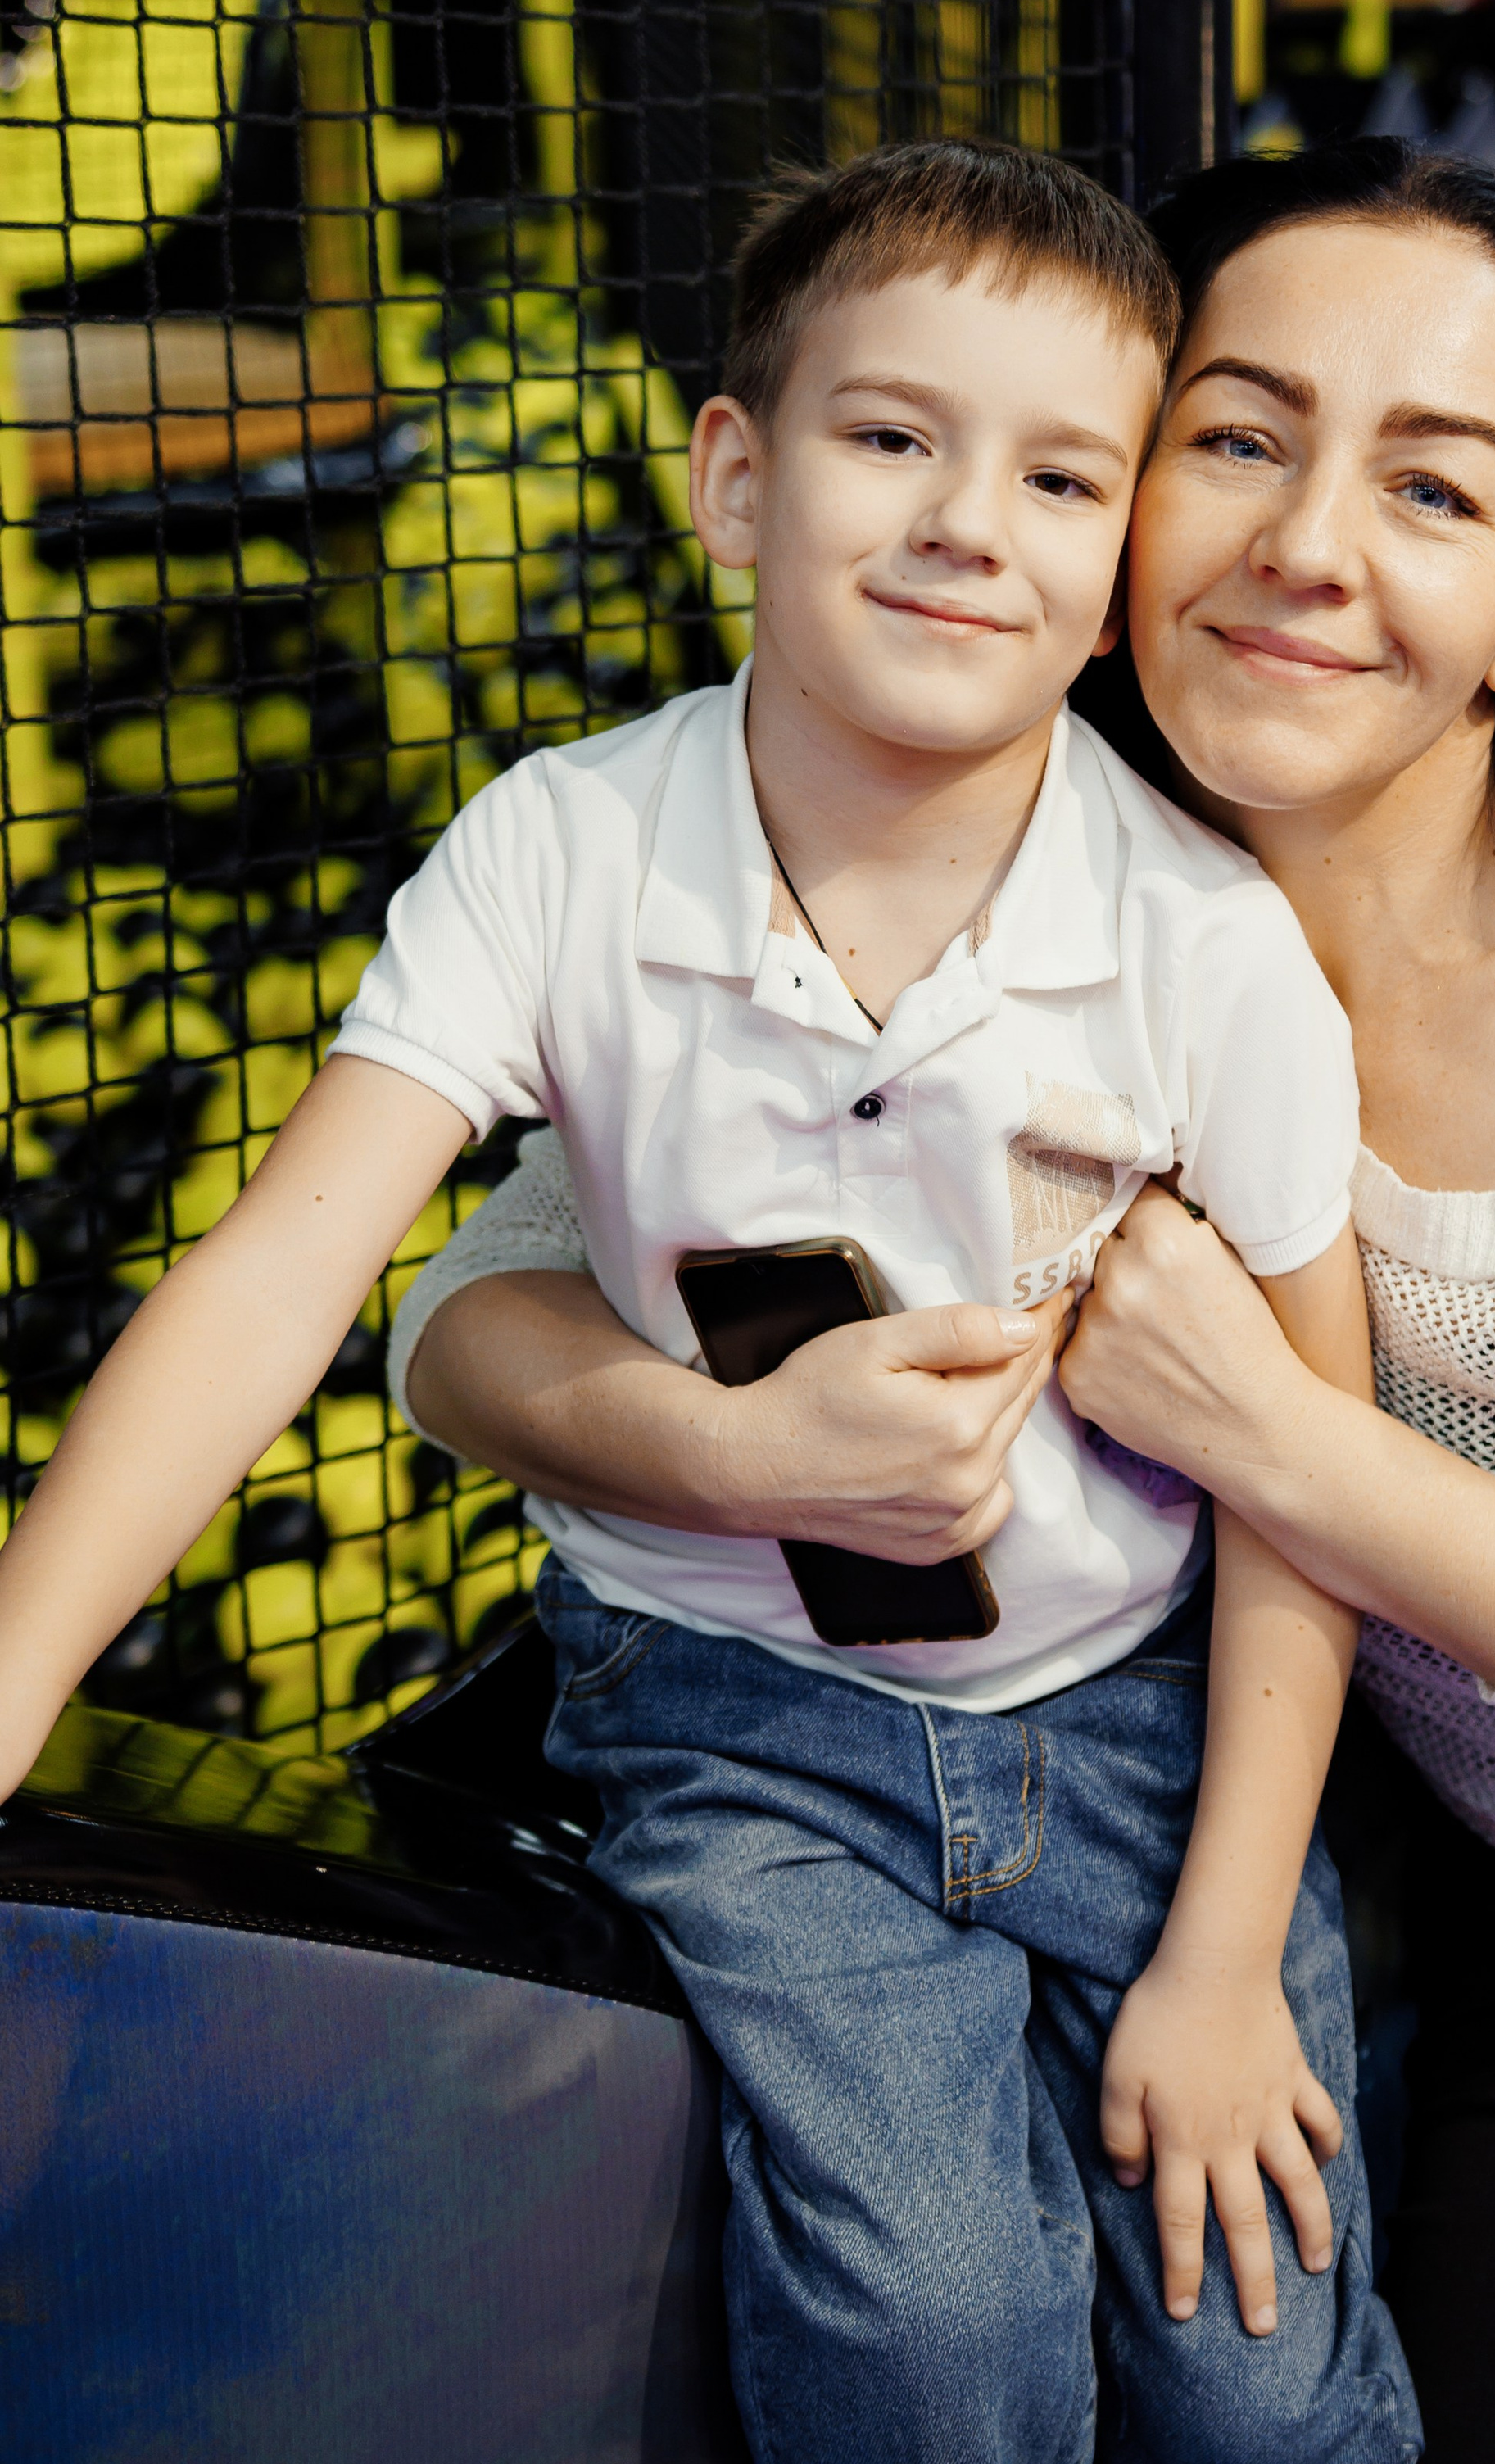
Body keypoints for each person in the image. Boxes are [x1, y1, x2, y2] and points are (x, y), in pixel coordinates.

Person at [419, 140, 1495, 2464]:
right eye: (1241, 436)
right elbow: (499, 1282)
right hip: (1459, 1856)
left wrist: (1271, 1430)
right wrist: (717, 1443)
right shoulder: (1009, 847)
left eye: (1434, 485)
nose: (1311, 546)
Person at [0, 139, 1416, 2464]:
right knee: (935, 2343)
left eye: (1064, 473)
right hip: (743, 1726)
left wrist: (1234, 1942)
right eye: (893, 436)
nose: (972, 518)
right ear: (737, 481)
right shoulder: (565, 849)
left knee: (1252, 2379)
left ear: (1119, 573)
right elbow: (284, 1270)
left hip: (1148, 1727)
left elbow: (1315, 1471)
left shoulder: (1201, 943)